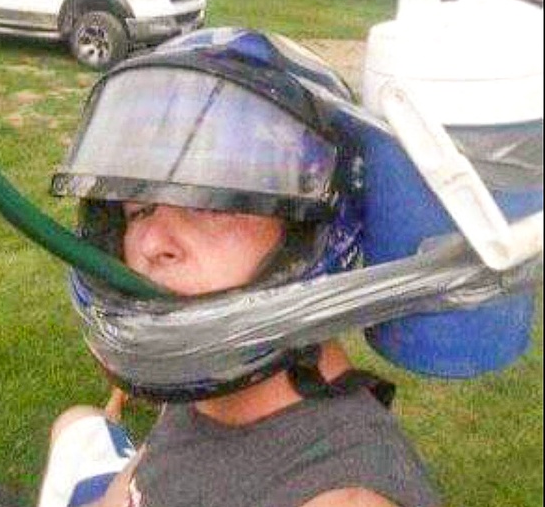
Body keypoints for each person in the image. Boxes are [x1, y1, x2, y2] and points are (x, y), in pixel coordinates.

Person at [39, 29, 443, 507]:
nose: (149, 243)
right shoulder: (205, 383)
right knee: (78, 421)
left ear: (306, 237)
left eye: (210, 204)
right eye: (137, 211)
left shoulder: (340, 495)